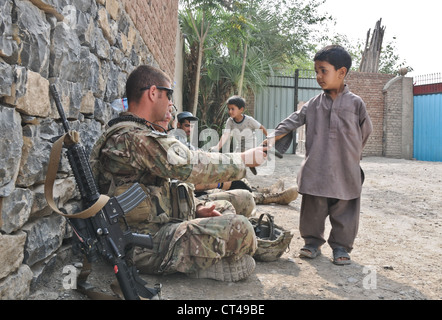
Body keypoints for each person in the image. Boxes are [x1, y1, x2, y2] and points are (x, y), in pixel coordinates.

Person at [89, 65, 268, 282]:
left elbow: (165, 186)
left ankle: (206, 260)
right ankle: (199, 266)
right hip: (142, 245)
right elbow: (190, 166)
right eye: (168, 94)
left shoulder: (135, 133)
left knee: (227, 210)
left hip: (156, 227)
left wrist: (198, 208)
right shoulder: (133, 138)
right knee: (241, 228)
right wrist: (243, 160)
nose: (171, 103)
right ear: (153, 93)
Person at [267, 45, 373, 265]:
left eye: (323, 70)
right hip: (317, 168)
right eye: (316, 71)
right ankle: (312, 242)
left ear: (341, 72)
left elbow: (365, 131)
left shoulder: (356, 104)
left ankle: (341, 246)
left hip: (346, 169)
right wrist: (270, 139)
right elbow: (292, 121)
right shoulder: (313, 104)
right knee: (313, 208)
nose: (318, 76)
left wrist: (352, 155)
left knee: (345, 211)